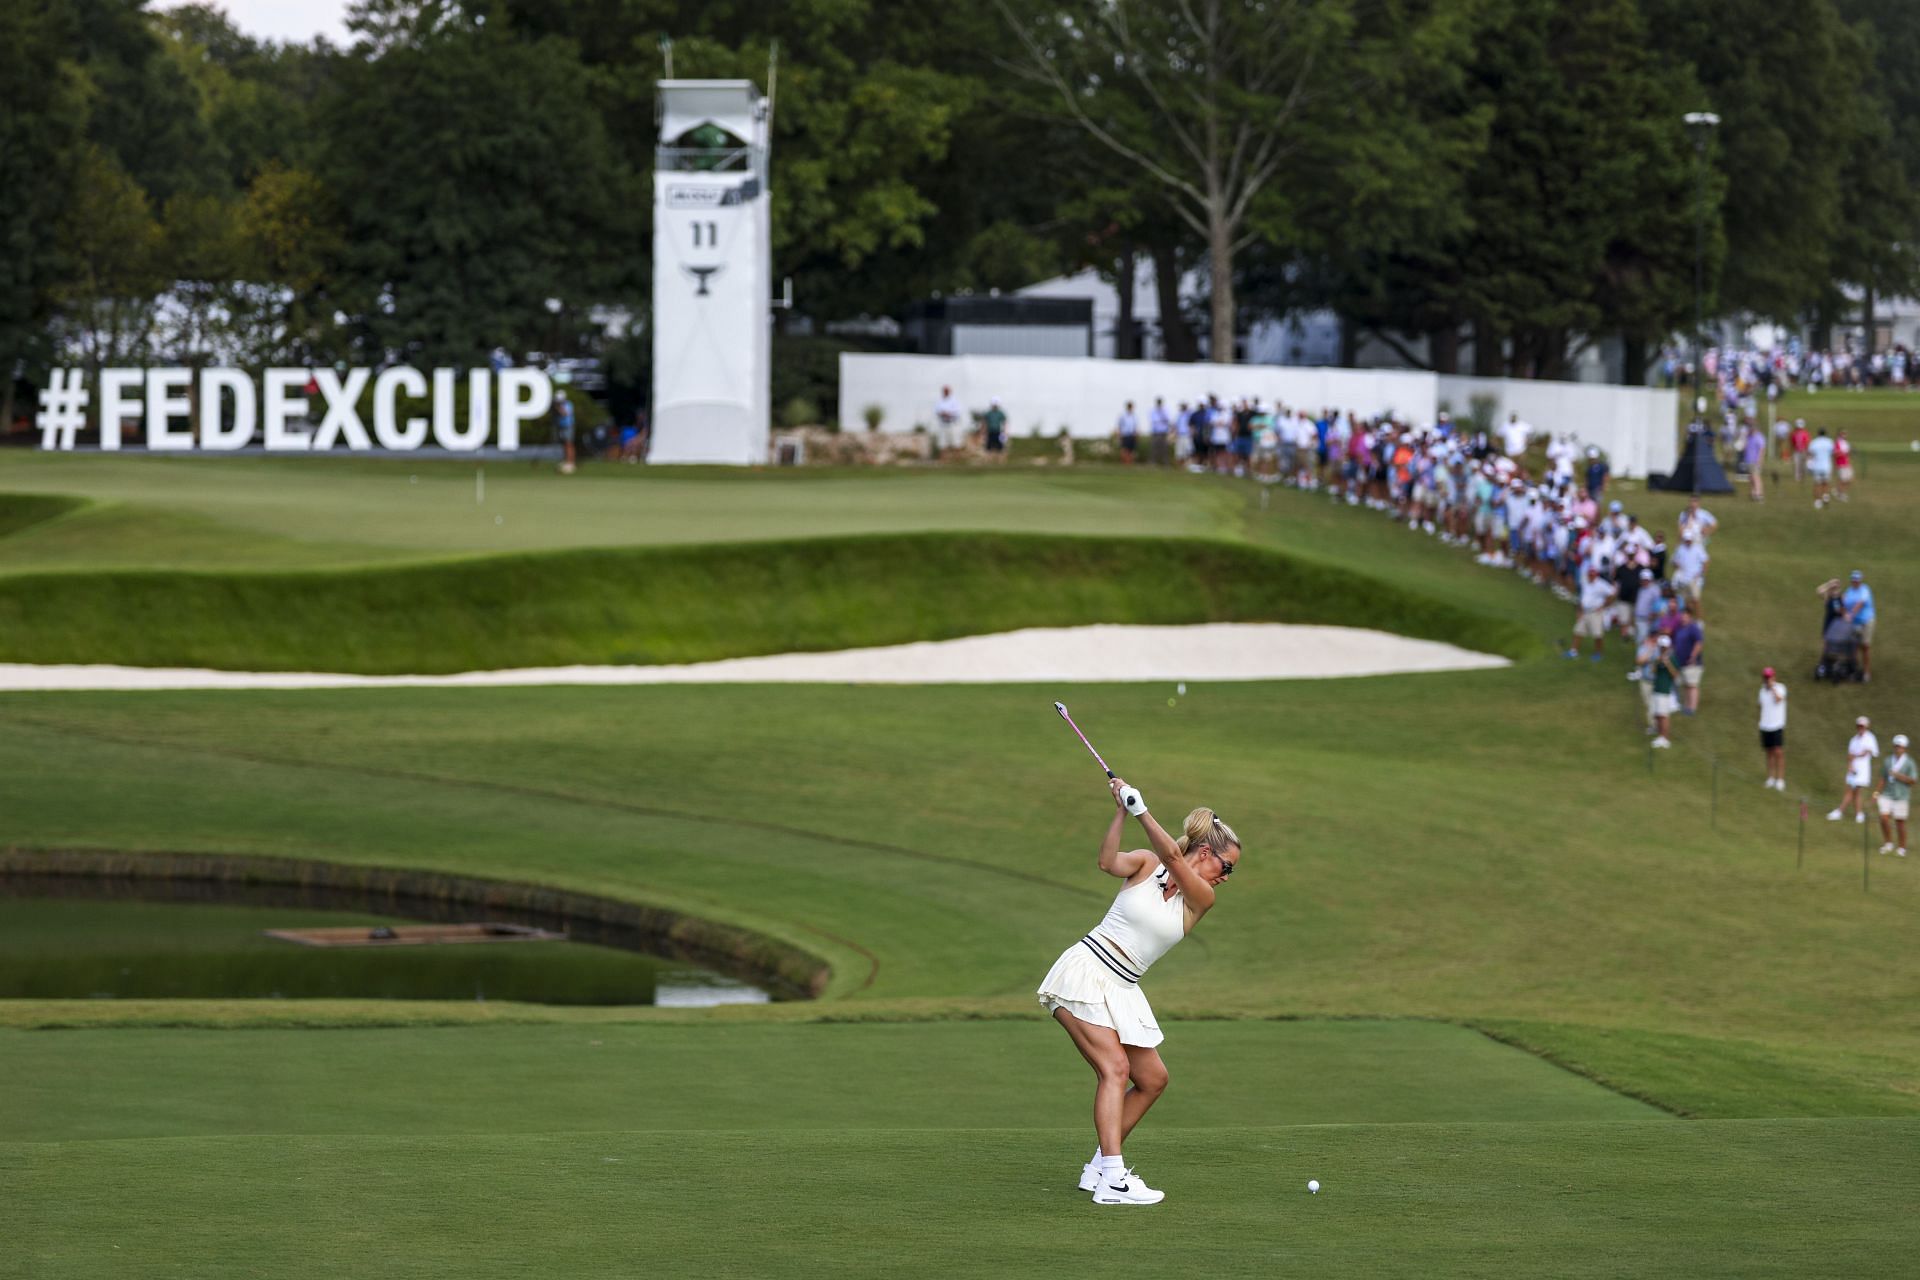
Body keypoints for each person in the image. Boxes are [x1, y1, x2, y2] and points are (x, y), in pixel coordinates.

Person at [1037, 778, 1241, 1206]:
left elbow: (1173, 854)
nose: (1227, 877)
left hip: (1124, 987)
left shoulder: (1199, 898)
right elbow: (1107, 861)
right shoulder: (1147, 864)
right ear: (1206, 853)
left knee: (1152, 1079)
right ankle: (1113, 1178)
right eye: (1227, 867)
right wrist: (1120, 810)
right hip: (1085, 970)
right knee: (1114, 1069)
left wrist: (1141, 810)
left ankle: (1098, 1168)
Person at [1829, 715, 1880, 823]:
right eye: (1859, 726)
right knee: (1853, 792)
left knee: (1854, 791)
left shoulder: (1870, 738)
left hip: (1863, 770)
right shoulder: (1853, 740)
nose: (1860, 728)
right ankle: (1858, 814)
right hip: (1853, 769)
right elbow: (1850, 756)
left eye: (1862, 726)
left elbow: (1868, 752)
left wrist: (1857, 756)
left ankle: (1840, 811)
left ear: (1866, 727)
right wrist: (1850, 767)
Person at [1876, 734, 1915, 856]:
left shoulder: (1909, 763)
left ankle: (1902, 847)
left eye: (1901, 747)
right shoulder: (1888, 761)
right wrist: (1876, 793)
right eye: (1897, 746)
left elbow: (1913, 780)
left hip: (1901, 796)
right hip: (1887, 794)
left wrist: (1898, 776)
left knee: (1900, 822)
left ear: (1905, 748)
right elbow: (1883, 778)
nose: (1898, 749)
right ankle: (1888, 843)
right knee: (1883, 818)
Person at [1568, 564, 1616, 661]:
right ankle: (1573, 651)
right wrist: (1579, 610)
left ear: (1596, 574)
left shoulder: (1601, 584)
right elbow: (1583, 598)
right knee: (1578, 631)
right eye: (1590, 574)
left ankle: (1598, 653)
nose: (1591, 576)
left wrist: (1604, 606)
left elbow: (1612, 593)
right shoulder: (1585, 582)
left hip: (1595, 612)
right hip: (1585, 611)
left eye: (1593, 574)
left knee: (1597, 634)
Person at [1842, 569, 1876, 682]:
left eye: (1857, 580)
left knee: (1865, 646)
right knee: (1854, 647)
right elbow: (1844, 603)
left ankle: (1867, 672)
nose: (1855, 582)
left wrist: (1850, 614)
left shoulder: (1865, 590)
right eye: (1853, 580)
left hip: (1866, 621)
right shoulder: (1849, 591)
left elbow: (1860, 604)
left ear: (1860, 580)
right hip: (1854, 623)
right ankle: (1854, 670)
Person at [1758, 667, 1788, 790]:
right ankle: (1770, 778)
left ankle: (1780, 779)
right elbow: (1760, 706)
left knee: (1778, 752)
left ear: (1773, 677)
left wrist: (1772, 689)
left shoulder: (1780, 688)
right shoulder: (1761, 691)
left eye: (1769, 677)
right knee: (1769, 753)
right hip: (1765, 725)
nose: (1767, 679)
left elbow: (1779, 699)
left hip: (1777, 725)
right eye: (1766, 677)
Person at [1648, 635, 1680, 748]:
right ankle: (1660, 735)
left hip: (1665, 690)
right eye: (1661, 646)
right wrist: (1658, 662)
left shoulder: (1672, 658)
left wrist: (1668, 664)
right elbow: (1653, 671)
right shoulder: (1658, 657)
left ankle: (1665, 738)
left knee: (1663, 715)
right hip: (1657, 688)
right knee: (1657, 714)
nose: (1662, 649)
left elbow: (1675, 675)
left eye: (1664, 647)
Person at [1671, 530, 1709, 612]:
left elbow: (1705, 561)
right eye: (1686, 540)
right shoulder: (1680, 549)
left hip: (1695, 579)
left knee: (1696, 600)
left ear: (1692, 540)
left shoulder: (1698, 549)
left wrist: (1702, 573)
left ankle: (1699, 621)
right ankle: (1686, 617)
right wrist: (1677, 565)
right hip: (1683, 579)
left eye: (1689, 540)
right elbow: (1673, 562)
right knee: (1684, 601)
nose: (1688, 541)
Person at [1807, 428, 1836, 507]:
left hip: (1817, 466)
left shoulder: (1814, 442)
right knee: (1825, 483)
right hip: (1826, 466)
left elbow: (1810, 453)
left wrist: (1809, 464)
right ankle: (1825, 497)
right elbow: (1833, 453)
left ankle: (1818, 501)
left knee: (1817, 484)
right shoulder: (1829, 442)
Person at [935, 385, 964, 450]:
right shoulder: (940, 402)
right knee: (942, 442)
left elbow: (958, 412)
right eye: (944, 391)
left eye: (947, 391)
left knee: (955, 441)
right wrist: (942, 414)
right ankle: (943, 457)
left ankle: (955, 457)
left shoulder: (955, 401)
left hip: (952, 424)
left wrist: (949, 414)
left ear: (950, 391)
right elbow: (937, 411)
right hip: (943, 424)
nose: (945, 392)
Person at [554, 392, 576, 474]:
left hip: (568, 426)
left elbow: (565, 413)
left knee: (569, 444)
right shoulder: (559, 405)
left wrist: (558, 408)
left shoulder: (568, 404)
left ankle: (571, 463)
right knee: (564, 444)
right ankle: (566, 460)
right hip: (562, 426)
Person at [1148, 399, 1171, 466]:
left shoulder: (1165, 411)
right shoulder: (1153, 411)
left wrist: (1162, 416)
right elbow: (1154, 420)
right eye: (1158, 403)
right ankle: (1153, 462)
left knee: (1164, 449)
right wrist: (1161, 420)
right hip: (1155, 432)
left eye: (1160, 403)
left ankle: (1165, 463)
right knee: (1154, 448)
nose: (1159, 404)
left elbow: (1167, 419)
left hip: (1163, 432)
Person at [1834, 430, 1854, 501]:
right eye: (1843, 434)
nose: (1845, 435)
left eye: (1845, 434)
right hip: (1841, 464)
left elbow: (1848, 454)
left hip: (1847, 463)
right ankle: (1841, 494)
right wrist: (1844, 453)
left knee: (1849, 479)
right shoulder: (1837, 443)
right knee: (1843, 480)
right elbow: (1836, 454)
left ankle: (1837, 490)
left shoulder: (1846, 443)